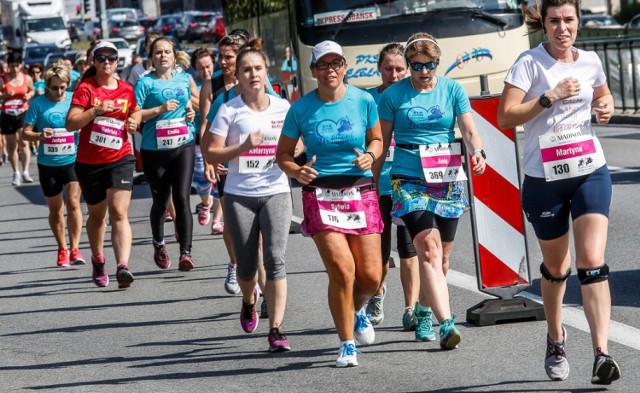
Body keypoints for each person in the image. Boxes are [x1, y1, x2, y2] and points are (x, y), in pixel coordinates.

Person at [496, 0, 621, 385]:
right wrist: (549, 96)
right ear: (544, 24)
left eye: (569, 20)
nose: (562, 28)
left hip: (589, 170)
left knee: (592, 262)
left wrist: (604, 108)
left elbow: (604, 97)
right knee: (556, 270)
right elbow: (505, 116)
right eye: (554, 21)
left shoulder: (591, 61)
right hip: (544, 178)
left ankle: (602, 354)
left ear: (579, 22)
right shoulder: (528, 63)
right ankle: (556, 337)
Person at [277, 40, 383, 368]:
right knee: (341, 269)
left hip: (359, 190)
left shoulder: (364, 100)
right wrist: (297, 169)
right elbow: (283, 155)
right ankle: (347, 342)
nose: (330, 70)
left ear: (345, 68)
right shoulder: (301, 108)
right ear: (313, 71)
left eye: (336, 63)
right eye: (323, 65)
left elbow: (377, 139)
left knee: (371, 276)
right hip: (320, 193)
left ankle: (358, 309)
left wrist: (371, 155)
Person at [376, 33, 486, 349]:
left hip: (447, 177)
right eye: (417, 66)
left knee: (443, 259)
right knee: (428, 250)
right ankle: (445, 323)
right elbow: (382, 143)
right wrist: (372, 180)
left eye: (430, 65)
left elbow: (468, 129)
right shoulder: (393, 96)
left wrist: (478, 151)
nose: (424, 72)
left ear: (438, 63)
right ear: (409, 65)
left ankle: (423, 308)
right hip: (408, 179)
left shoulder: (452, 89)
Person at [205, 38, 293, 352]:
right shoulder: (229, 110)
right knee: (246, 266)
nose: (253, 74)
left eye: (258, 68)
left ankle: (277, 329)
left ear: (265, 71)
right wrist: (242, 148)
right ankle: (248, 299)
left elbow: (298, 143)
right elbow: (210, 151)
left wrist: (296, 154)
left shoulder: (283, 107)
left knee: (275, 259)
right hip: (240, 193)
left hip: (276, 190)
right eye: (247, 70)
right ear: (238, 76)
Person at [66, 41, 141, 289]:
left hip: (120, 157)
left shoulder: (127, 89)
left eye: (111, 58)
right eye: (101, 58)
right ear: (94, 62)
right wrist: (95, 111)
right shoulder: (86, 88)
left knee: (119, 212)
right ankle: (98, 260)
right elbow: (71, 123)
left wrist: (133, 122)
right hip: (90, 162)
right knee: (97, 216)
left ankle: (122, 266)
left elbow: (135, 112)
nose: (106, 63)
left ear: (118, 61)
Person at [365, 42, 421, 332]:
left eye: (400, 68)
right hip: (378, 184)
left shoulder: (415, 99)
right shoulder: (367, 100)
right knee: (380, 251)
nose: (395, 74)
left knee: (409, 249)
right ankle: (377, 293)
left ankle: (410, 308)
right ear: (380, 69)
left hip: (409, 183)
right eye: (388, 68)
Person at [135, 36, 199, 272]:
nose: (163, 55)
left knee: (182, 198)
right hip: (154, 149)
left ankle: (186, 252)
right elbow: (135, 115)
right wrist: (159, 109)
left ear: (174, 56)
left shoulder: (184, 79)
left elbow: (189, 105)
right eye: (158, 52)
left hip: (183, 144)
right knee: (161, 201)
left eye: (167, 52)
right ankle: (159, 242)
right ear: (152, 57)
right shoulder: (145, 83)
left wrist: (190, 113)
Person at [22, 64, 86, 267]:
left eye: (62, 87)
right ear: (47, 86)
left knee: (74, 203)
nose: (58, 92)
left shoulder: (74, 101)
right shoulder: (38, 104)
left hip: (72, 160)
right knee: (56, 210)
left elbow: (85, 124)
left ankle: (75, 248)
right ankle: (62, 248)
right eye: (54, 88)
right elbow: (25, 132)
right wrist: (39, 135)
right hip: (48, 164)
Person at [199, 33, 248, 295]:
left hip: (255, 165)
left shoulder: (259, 84)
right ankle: (234, 262)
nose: (223, 62)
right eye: (221, 56)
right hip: (225, 164)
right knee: (231, 222)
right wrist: (209, 158)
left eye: (228, 57)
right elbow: (206, 124)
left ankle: (259, 279)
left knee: (257, 229)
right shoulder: (215, 87)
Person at [190, 48, 216, 227]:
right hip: (200, 136)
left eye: (208, 66)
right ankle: (206, 203)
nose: (205, 71)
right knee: (201, 176)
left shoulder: (223, 81)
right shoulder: (194, 87)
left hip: (223, 137)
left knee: (222, 179)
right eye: (200, 68)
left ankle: (218, 220)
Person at [0, 51, 34, 186]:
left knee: (24, 142)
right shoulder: (3, 78)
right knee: (11, 145)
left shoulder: (26, 78)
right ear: (8, 65)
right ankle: (16, 173)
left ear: (21, 65)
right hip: (8, 114)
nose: (14, 69)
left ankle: (25, 171)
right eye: (12, 66)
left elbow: (31, 90)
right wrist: (5, 95)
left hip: (22, 112)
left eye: (17, 66)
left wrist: (29, 96)